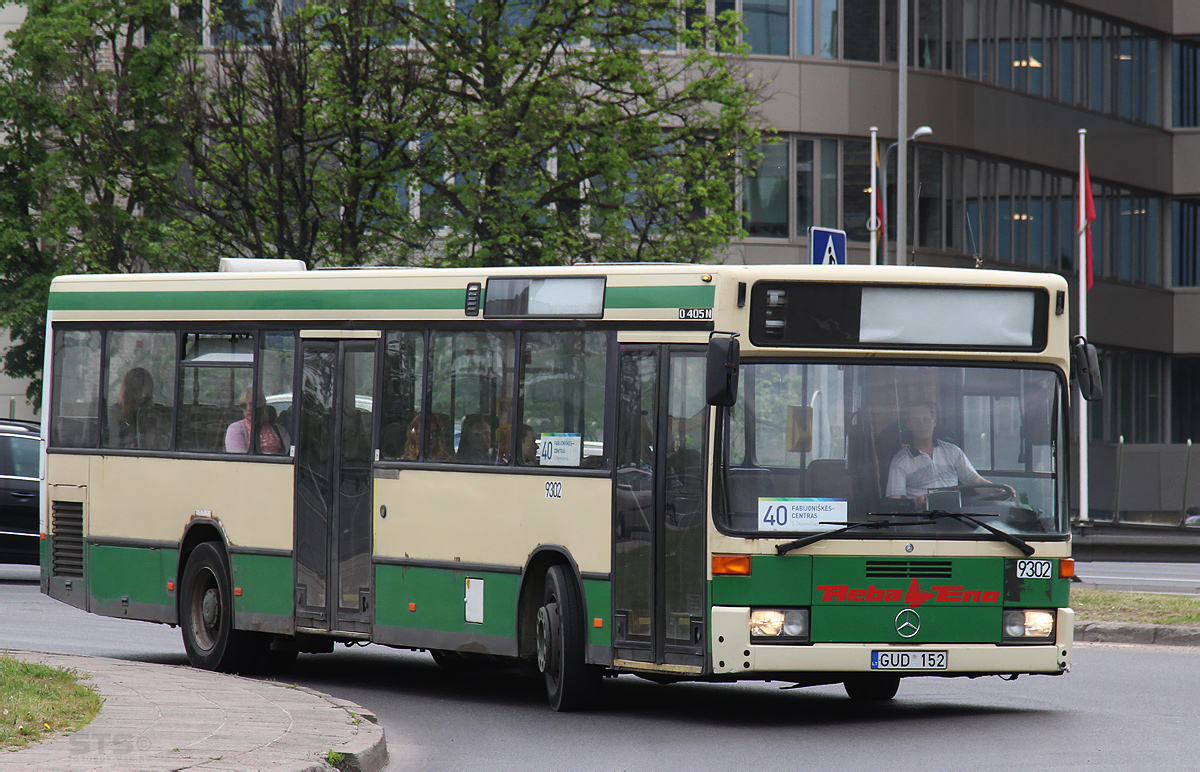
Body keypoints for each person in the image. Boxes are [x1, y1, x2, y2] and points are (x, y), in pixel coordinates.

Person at [885, 401, 1004, 508]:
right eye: (916, 420)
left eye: (926, 419)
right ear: (909, 426)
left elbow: (976, 482)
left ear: (934, 421)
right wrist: (914, 503)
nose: (922, 425)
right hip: (920, 522)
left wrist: (996, 489)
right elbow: (894, 502)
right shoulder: (900, 461)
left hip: (955, 518)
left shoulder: (953, 451)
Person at [225, 388, 291, 454]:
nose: (248, 409)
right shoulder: (236, 429)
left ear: (262, 405)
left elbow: (290, 455)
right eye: (244, 406)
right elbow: (240, 459)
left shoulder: (280, 431)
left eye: (252, 404)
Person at [114, 367, 154, 449]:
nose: (144, 395)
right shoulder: (115, 413)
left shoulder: (153, 413)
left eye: (148, 392)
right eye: (139, 391)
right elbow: (112, 443)